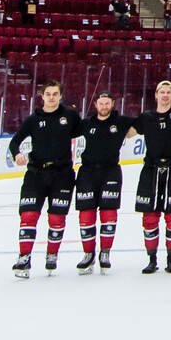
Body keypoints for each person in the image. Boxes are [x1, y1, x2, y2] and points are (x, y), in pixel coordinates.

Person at [8, 80, 81, 277]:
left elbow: (91, 129)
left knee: (57, 217)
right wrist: (17, 155)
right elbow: (15, 142)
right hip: (35, 174)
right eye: (47, 94)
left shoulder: (70, 116)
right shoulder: (33, 119)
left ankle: (52, 254)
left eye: (55, 94)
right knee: (28, 216)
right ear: (42, 96)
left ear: (60, 96)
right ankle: (24, 258)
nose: (51, 97)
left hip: (62, 174)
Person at [133, 79, 171, 273]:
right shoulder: (146, 117)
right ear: (156, 95)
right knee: (150, 216)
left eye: (169, 92)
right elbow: (126, 132)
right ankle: (151, 259)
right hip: (151, 171)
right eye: (162, 92)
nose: (165, 95)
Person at [73, 91, 131, 273]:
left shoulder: (121, 122)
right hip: (87, 172)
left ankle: (105, 253)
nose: (104, 106)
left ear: (113, 104)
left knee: (108, 213)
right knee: (86, 213)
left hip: (111, 172)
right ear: (96, 105)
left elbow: (147, 123)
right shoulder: (86, 124)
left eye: (107, 103)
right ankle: (88, 254)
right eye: (101, 103)